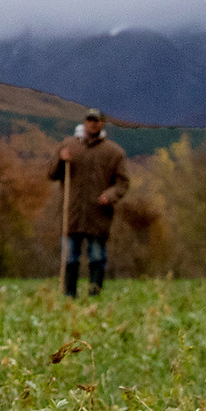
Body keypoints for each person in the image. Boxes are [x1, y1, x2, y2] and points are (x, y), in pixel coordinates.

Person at [48, 109, 129, 298]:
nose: (93, 123)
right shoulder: (68, 146)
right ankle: (69, 297)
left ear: (103, 124)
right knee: (69, 259)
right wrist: (61, 160)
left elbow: (123, 182)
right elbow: (51, 174)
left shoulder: (114, 153)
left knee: (97, 258)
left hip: (98, 214)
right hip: (72, 214)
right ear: (84, 122)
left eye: (97, 121)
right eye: (90, 120)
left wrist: (110, 195)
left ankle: (95, 297)